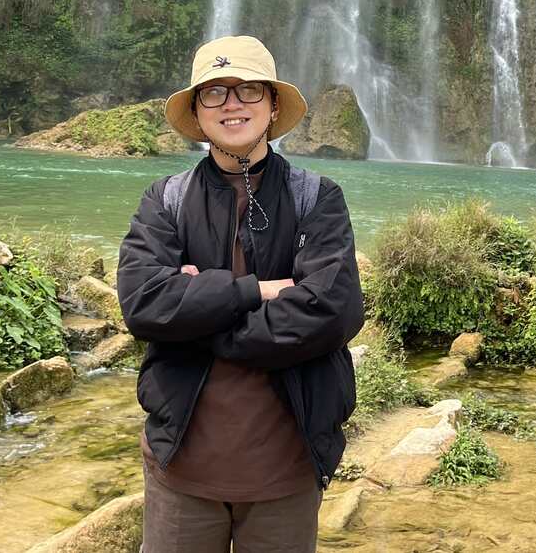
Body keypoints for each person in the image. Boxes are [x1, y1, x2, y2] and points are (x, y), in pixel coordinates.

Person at [117, 35, 365, 553]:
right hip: (181, 466)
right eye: (215, 93)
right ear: (197, 112)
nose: (232, 103)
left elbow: (332, 311)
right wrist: (258, 290)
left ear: (273, 107)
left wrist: (201, 315)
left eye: (249, 89)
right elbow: (143, 303)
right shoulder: (164, 201)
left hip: (287, 468)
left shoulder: (317, 199)